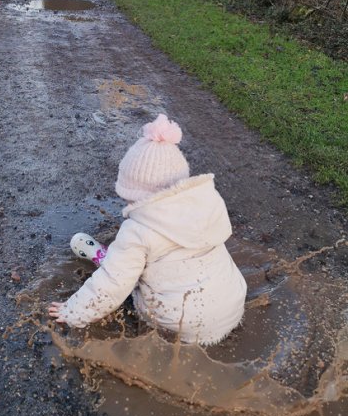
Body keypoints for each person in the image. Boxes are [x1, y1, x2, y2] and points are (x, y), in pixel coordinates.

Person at [49, 114, 247, 346]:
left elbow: (111, 286)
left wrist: (73, 312)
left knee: (127, 277)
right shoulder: (204, 206)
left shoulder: (138, 231)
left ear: (136, 193)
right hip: (232, 308)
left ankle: (107, 258)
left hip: (180, 326)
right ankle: (118, 260)